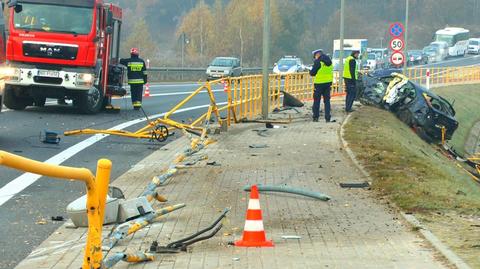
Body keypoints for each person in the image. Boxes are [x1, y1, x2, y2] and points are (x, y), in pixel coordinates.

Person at [309, 49, 335, 122]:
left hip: (319, 84)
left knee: (316, 101)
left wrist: (310, 71)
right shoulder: (330, 62)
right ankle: (327, 118)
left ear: (317, 54)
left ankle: (315, 117)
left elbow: (312, 73)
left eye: (315, 56)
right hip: (327, 84)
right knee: (327, 101)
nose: (315, 58)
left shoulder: (318, 62)